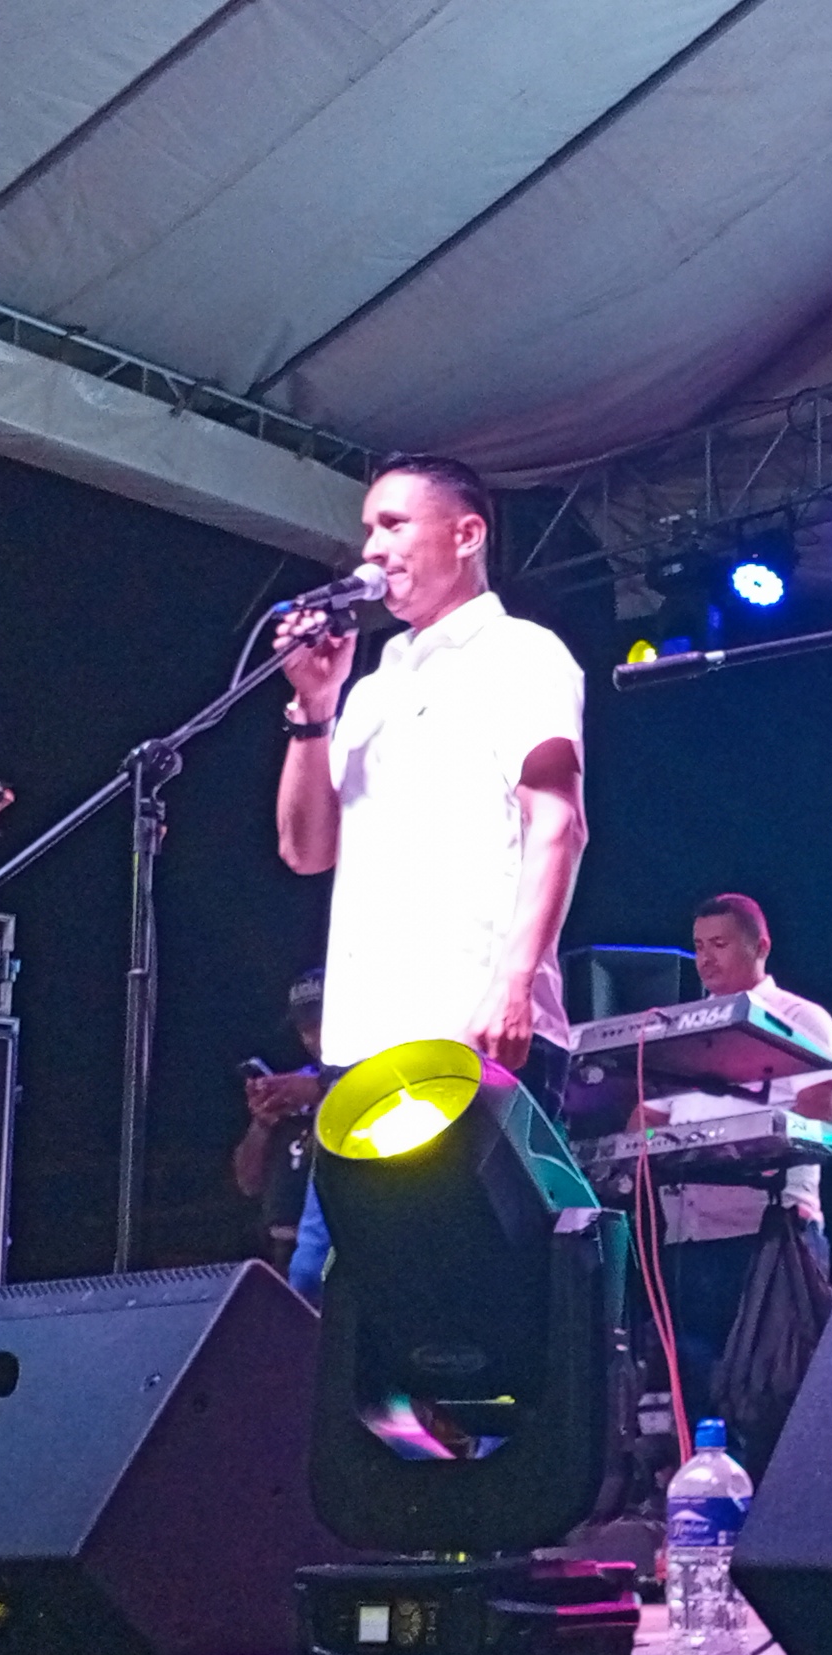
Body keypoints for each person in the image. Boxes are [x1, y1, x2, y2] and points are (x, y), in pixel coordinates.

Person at [271, 453, 590, 1294]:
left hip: (471, 1027)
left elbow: (558, 824)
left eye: (394, 524)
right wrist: (314, 709)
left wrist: (514, 983)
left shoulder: (522, 654)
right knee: (339, 1292)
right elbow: (306, 849)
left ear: (467, 533)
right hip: (361, 1039)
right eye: (367, 530)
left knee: (477, 1293)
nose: (372, 549)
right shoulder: (372, 688)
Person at [639, 894, 832, 1395]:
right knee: (690, 1394)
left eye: (720, 944)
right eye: (698, 946)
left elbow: (821, 1116)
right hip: (685, 1244)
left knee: (773, 1393)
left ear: (761, 947)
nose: (705, 959)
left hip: (771, 1237)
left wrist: (739, 1146)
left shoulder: (802, 1019)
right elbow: (640, 1127)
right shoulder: (679, 1034)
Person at [230, 969, 330, 1270]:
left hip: (341, 1247)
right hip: (281, 1249)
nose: (311, 1037)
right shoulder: (292, 1086)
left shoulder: (375, 1083)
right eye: (304, 1027)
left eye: (319, 1023)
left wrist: (320, 1093)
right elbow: (248, 1183)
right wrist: (262, 1123)